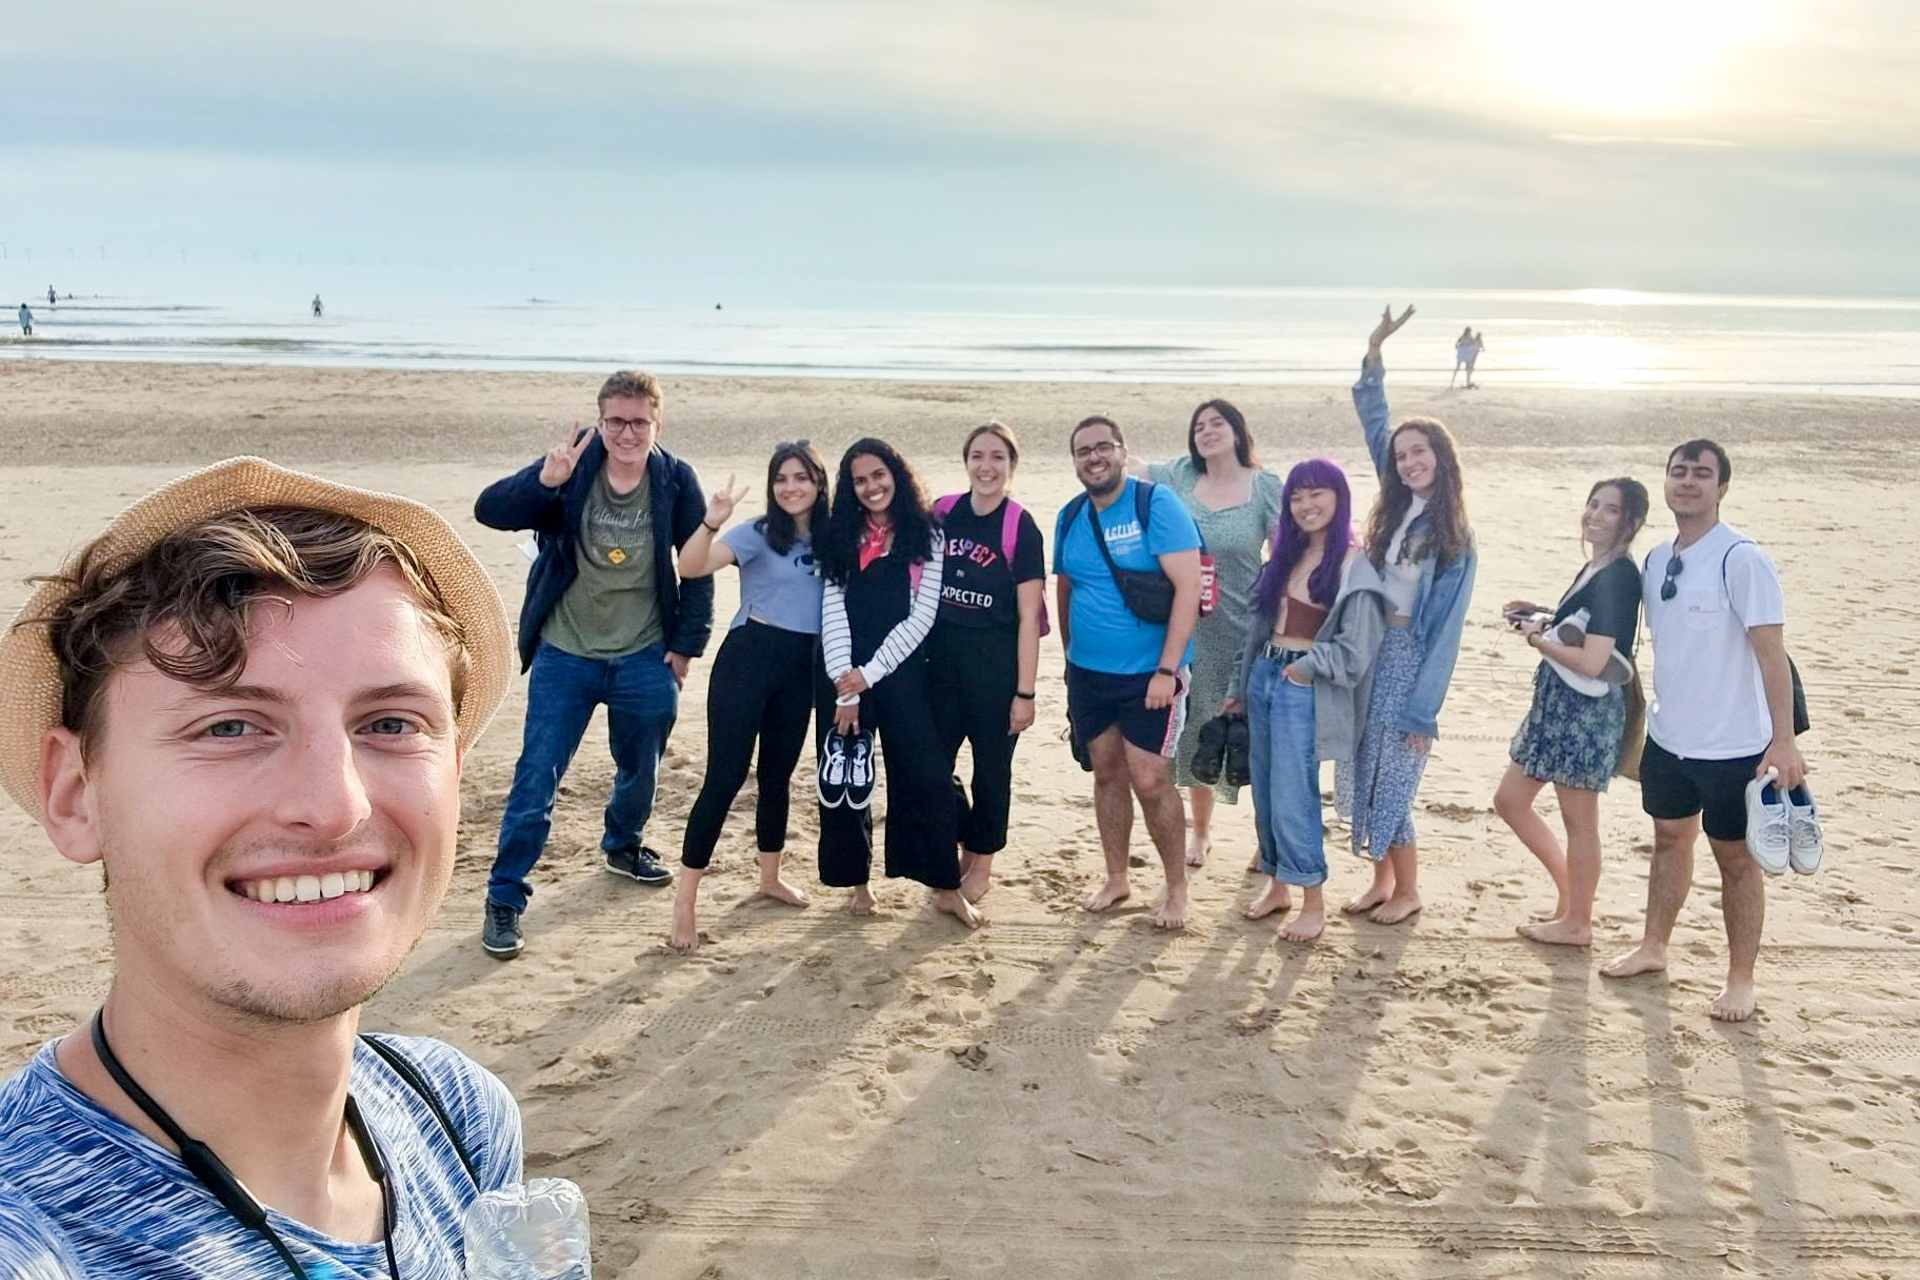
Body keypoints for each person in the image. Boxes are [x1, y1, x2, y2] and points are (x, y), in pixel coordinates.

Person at [0, 458, 525, 1276]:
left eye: (390, 721)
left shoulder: (458, 1118)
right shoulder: (34, 1239)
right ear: (75, 796)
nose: (336, 805)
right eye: (230, 727)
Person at [474, 370, 713, 959]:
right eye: (615, 421)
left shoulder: (676, 480)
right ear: (600, 420)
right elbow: (490, 511)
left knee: (642, 767)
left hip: (643, 652)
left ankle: (623, 844)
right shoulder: (574, 464)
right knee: (537, 775)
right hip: (566, 650)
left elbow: (697, 565)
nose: (626, 433)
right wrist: (543, 482)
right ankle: (505, 897)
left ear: (658, 424)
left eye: (638, 422)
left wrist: (685, 646)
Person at [1601, 440, 1805, 1022]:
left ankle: (1741, 981)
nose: (1688, 482)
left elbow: (1772, 656)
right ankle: (1653, 947)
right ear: (1666, 484)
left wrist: (1783, 741)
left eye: (1702, 474)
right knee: (1669, 841)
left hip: (1736, 745)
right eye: (1678, 472)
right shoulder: (1657, 558)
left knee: (1735, 860)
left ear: (1721, 487)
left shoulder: (1741, 558)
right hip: (1670, 740)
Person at [1341, 305, 1477, 924]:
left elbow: (1445, 634)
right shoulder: (1397, 509)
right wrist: (1374, 351)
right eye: (1402, 456)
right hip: (1369, 652)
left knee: (1396, 777)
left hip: (1410, 660)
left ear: (1441, 458)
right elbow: (1376, 425)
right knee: (1364, 767)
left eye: (1420, 452)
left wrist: (1425, 708)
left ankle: (1410, 890)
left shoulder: (1453, 537)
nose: (1409, 462)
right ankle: (1379, 880)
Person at [670, 441, 829, 953]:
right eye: (781, 478)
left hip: (801, 668)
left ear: (819, 482)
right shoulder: (759, 534)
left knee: (779, 775)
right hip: (749, 660)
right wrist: (711, 521)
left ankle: (769, 877)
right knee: (725, 777)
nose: (790, 487)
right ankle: (684, 905)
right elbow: (691, 567)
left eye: (801, 477)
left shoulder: (833, 540)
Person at [817, 438, 983, 927]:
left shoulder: (926, 533)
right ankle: (859, 884)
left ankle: (945, 886)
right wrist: (847, 687)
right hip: (844, 669)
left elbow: (921, 617)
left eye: (878, 475)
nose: (871, 487)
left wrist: (871, 674)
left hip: (903, 670)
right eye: (860, 480)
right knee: (848, 777)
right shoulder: (840, 536)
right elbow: (833, 610)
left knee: (926, 777)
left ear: (896, 474)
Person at [1227, 459, 1387, 942]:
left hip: (1302, 685)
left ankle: (1312, 900)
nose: (1306, 505)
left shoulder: (1353, 565)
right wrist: (1239, 687)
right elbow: (1254, 631)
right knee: (1266, 787)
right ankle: (1277, 884)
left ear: (1339, 499)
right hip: (1264, 675)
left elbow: (1357, 650)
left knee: (1295, 793)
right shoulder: (1283, 556)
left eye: (1317, 494)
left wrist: (1303, 669)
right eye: (1297, 496)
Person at [1055, 414, 1203, 929]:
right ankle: (1117, 878)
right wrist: (1070, 660)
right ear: (1074, 462)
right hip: (1089, 676)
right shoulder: (1070, 516)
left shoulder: (1154, 504)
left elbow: (1188, 587)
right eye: (1083, 451)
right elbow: (1067, 588)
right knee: (1107, 774)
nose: (1093, 457)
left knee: (1151, 778)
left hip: (1150, 673)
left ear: (1121, 450)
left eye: (1103, 447)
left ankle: (1177, 889)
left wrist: (1167, 668)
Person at [1494, 477, 1650, 947]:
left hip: (1584, 715)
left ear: (1632, 522)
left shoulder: (1620, 577)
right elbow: (1582, 628)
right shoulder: (1597, 567)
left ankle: (1578, 922)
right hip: (1557, 709)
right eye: (1593, 504)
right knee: (1510, 801)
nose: (1595, 515)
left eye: (1610, 510)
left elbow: (1593, 661)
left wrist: (1537, 639)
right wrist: (1542, 614)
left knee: (1580, 822)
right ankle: (1570, 897)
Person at [1129, 400, 1282, 868]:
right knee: (1197, 730)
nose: (1208, 431)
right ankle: (1202, 833)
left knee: (1256, 736)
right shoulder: (1178, 477)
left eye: (1218, 423)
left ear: (1238, 431)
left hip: (1244, 630)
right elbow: (1134, 472)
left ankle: (1267, 839)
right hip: (1187, 630)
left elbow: (1285, 554)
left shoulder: (1264, 486)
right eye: (1199, 425)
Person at [928, 422, 1046, 904]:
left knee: (992, 771)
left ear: (1011, 466)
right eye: (978, 455)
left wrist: (1025, 693)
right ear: (966, 461)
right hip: (941, 666)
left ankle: (981, 862)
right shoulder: (943, 511)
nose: (986, 466)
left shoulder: (1020, 525)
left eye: (998, 457)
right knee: (932, 766)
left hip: (996, 671)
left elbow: (1028, 617)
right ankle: (963, 836)